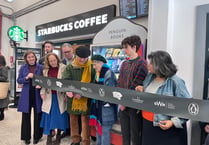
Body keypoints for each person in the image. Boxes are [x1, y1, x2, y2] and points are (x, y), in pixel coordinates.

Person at [135, 50, 191, 145]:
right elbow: (150, 94)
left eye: (151, 63)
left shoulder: (175, 82)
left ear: (160, 65)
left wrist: (173, 122)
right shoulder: (150, 77)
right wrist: (142, 89)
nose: (148, 65)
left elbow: (188, 107)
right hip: (148, 126)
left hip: (166, 131)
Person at [117, 35, 148, 145]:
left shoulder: (142, 63)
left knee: (135, 135)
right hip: (123, 105)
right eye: (123, 47)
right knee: (124, 134)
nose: (124, 50)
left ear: (134, 47)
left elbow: (136, 85)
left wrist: (124, 101)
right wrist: (120, 100)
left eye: (126, 47)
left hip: (134, 106)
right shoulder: (124, 63)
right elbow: (119, 82)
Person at [63, 46, 95, 145]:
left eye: (85, 58)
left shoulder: (92, 67)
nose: (82, 60)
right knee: (73, 119)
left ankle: (86, 141)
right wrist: (70, 92)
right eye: (80, 57)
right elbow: (66, 81)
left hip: (86, 99)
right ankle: (75, 139)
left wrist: (82, 94)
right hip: (73, 99)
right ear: (76, 56)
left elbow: (93, 84)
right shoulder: (70, 67)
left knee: (85, 121)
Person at [40, 53, 69, 145]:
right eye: (50, 61)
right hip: (49, 96)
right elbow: (43, 83)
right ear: (48, 62)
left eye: (54, 60)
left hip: (59, 96)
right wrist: (42, 92)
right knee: (49, 117)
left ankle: (58, 136)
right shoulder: (45, 70)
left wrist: (66, 94)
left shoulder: (64, 68)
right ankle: (49, 136)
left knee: (59, 117)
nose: (53, 62)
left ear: (57, 59)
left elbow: (66, 82)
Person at [89, 55, 118, 145]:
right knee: (99, 130)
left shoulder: (109, 73)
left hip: (106, 108)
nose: (94, 67)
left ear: (101, 63)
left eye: (95, 65)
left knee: (105, 131)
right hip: (99, 107)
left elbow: (110, 92)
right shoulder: (98, 73)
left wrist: (104, 102)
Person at [17, 50, 43, 145]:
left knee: (38, 115)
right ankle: (26, 137)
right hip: (26, 94)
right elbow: (19, 80)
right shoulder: (23, 68)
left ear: (35, 57)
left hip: (38, 94)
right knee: (25, 116)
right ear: (26, 59)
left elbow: (44, 80)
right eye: (29, 57)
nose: (31, 58)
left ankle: (37, 136)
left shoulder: (41, 67)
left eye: (32, 56)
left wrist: (36, 78)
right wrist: (27, 78)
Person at [0, 55, 9, 121]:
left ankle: (1, 114)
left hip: (2, 87)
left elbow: (5, 77)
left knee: (2, 101)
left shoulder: (4, 68)